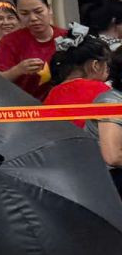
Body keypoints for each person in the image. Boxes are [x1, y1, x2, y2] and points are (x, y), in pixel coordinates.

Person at [42, 38, 122, 190]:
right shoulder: (104, 93)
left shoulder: (52, 94)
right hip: (99, 172)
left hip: (60, 170)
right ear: (95, 65)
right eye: (107, 65)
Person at [0, 0, 65, 98]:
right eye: (24, 13)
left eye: (38, 11)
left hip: (62, 105)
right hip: (24, 107)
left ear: (49, 9)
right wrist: (18, 70)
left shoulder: (67, 37)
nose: (33, 18)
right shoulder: (10, 41)